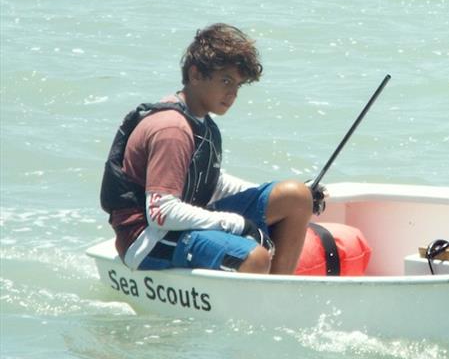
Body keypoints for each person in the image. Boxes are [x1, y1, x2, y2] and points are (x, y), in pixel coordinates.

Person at [100, 23, 325, 275]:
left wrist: (284, 195)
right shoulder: (172, 129)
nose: (233, 93)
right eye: (226, 81)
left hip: (179, 224)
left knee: (296, 197)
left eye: (238, 85)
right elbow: (161, 213)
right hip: (148, 239)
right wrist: (235, 224)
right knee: (255, 258)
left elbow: (210, 184)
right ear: (195, 75)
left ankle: (278, 292)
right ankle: (258, 303)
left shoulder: (203, 123)